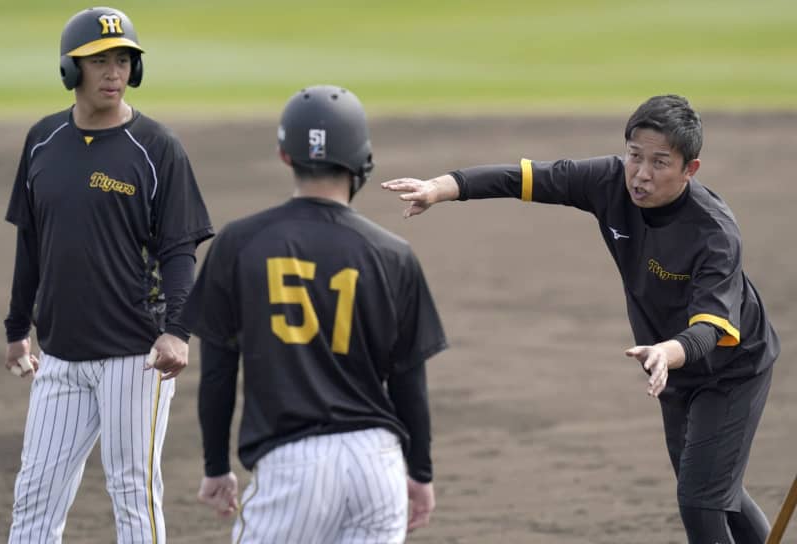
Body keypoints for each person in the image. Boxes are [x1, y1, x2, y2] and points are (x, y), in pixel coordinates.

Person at [381, 94, 777, 544]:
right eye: (635, 156)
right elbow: (525, 178)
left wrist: (667, 351)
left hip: (732, 368)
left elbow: (711, 328)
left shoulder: (714, 232)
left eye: (660, 162)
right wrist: (441, 187)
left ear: (691, 169)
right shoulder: (610, 181)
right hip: (670, 368)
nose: (642, 174)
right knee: (710, 483)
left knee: (700, 500)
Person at [181, 84, 447, 543]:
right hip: (376, 465)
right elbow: (409, 381)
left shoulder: (239, 243)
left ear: (286, 156)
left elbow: (218, 373)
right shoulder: (393, 254)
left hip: (292, 466)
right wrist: (420, 472)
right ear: (362, 160)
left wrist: (215, 467)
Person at [3, 6, 213, 543]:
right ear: (72, 70)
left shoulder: (157, 147)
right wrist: (15, 330)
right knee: (34, 497)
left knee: (134, 497)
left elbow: (179, 250)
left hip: (135, 358)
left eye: (123, 60)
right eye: (100, 61)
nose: (114, 72)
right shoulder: (43, 141)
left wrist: (177, 331)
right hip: (61, 357)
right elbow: (31, 242)